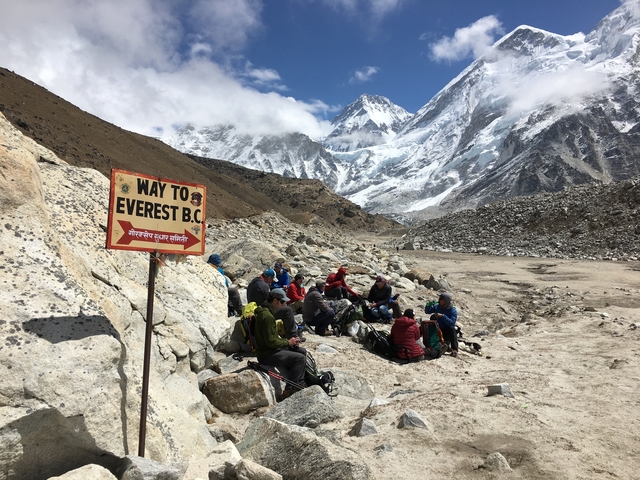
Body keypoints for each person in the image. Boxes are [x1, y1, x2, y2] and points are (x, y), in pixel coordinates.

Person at [253, 288, 306, 399]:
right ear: (275, 301)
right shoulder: (267, 317)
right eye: (282, 302)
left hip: (267, 350)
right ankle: (289, 391)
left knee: (301, 351)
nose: (283, 304)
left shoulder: (264, 311)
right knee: (300, 358)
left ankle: (299, 382)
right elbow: (271, 341)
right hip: (266, 354)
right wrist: (288, 342)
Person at [248, 268, 302, 341]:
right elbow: (270, 301)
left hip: (254, 310)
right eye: (272, 280)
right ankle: (293, 336)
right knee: (287, 310)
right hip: (262, 314)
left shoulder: (254, 282)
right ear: (268, 278)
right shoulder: (264, 285)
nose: (272, 282)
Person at [424, 292, 458, 357]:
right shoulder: (437, 306)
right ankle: (436, 346)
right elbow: (427, 311)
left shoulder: (452, 310)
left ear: (445, 301)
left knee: (452, 329)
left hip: (447, 329)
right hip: (439, 328)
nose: (439, 300)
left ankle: (454, 350)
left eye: (441, 299)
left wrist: (443, 316)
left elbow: (451, 322)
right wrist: (429, 304)